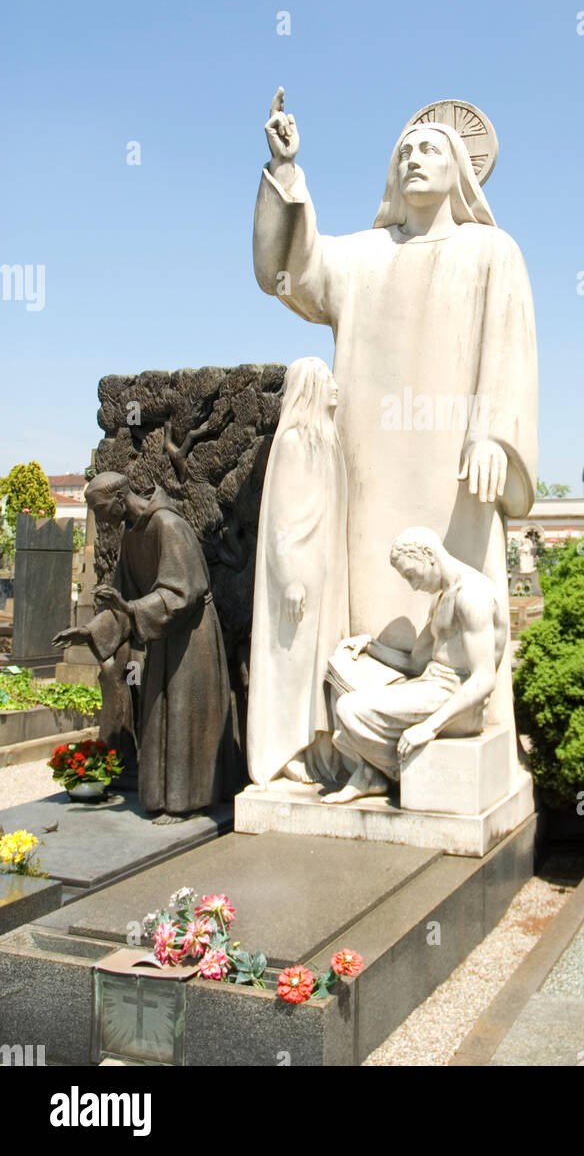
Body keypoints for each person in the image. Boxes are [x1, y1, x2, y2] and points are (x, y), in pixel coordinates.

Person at [252, 93, 537, 773]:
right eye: (404, 151)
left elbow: (510, 347)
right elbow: (288, 274)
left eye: (430, 149)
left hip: (458, 471)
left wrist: (495, 434)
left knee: (455, 593)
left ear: (461, 170)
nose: (414, 158)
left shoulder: (491, 251)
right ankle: (361, 744)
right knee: (373, 595)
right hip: (371, 463)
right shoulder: (362, 258)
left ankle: (456, 725)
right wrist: (287, 174)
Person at [53, 473, 234, 824]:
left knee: (183, 714)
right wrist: (91, 631)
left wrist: (132, 608)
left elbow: (184, 591)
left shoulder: (168, 525)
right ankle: (166, 798)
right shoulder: (131, 535)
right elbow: (124, 596)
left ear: (119, 498)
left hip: (190, 634)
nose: (98, 517)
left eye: (99, 508)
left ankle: (188, 802)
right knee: (157, 713)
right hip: (162, 630)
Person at [323, 527, 507, 803]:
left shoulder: (472, 595)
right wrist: (370, 646)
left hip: (457, 701)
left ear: (428, 556)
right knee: (345, 672)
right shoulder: (443, 598)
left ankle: (393, 773)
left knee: (349, 708)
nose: (413, 586)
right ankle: (373, 773)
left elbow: (483, 678)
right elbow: (414, 663)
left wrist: (430, 727)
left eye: (411, 575)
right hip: (430, 685)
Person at [246, 357, 349, 787]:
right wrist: (288, 576)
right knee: (291, 662)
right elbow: (282, 521)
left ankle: (317, 745)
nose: (336, 387)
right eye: (327, 381)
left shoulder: (327, 441)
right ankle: (284, 749)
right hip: (300, 573)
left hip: (325, 570)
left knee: (319, 660)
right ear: (309, 387)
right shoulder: (291, 443)